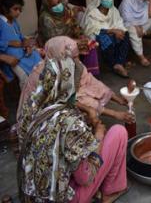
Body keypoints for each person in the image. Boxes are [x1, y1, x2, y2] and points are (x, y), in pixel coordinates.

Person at [17, 39, 128, 203]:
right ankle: (110, 191)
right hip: (64, 198)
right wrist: (98, 137)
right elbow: (85, 177)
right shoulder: (70, 123)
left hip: (31, 195)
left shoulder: (31, 108)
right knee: (118, 133)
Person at [16, 36, 134, 130]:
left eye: (77, 56)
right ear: (59, 55)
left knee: (88, 95)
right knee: (86, 103)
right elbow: (64, 100)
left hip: (62, 100)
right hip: (41, 114)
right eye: (72, 57)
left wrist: (118, 99)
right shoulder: (43, 75)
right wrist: (114, 113)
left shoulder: (73, 64)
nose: (76, 61)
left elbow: (92, 82)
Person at [38, 0, 99, 75]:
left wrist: (80, 35)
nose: (58, 6)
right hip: (54, 44)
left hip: (70, 40)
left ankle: (89, 74)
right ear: (48, 7)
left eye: (58, 2)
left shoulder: (65, 12)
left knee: (90, 44)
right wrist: (74, 40)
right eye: (54, 5)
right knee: (75, 47)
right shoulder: (45, 18)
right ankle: (76, 75)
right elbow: (53, 37)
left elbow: (75, 25)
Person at [81, 0, 130, 78]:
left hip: (112, 31)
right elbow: (92, 27)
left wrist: (119, 30)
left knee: (125, 34)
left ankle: (119, 63)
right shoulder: (93, 11)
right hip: (97, 33)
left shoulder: (113, 10)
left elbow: (119, 22)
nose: (108, 1)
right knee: (104, 38)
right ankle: (113, 64)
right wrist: (111, 30)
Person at [0, 0, 41, 89]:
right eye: (15, 9)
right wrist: (9, 43)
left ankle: (42, 89)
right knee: (25, 78)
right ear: (5, 9)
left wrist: (27, 44)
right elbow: (12, 42)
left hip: (22, 52)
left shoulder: (14, 21)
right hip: (10, 57)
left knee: (38, 62)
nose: (18, 12)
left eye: (20, 10)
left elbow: (20, 36)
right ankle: (27, 98)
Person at [119, 0, 151, 66]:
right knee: (134, 32)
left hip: (140, 22)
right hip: (126, 22)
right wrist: (137, 26)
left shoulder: (144, 0)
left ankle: (141, 31)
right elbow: (125, 16)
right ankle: (141, 57)